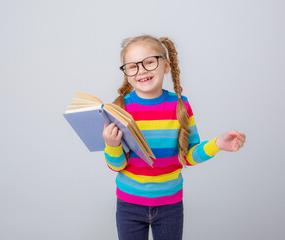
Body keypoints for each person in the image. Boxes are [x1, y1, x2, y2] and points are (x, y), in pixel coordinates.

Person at [102, 35, 246, 240]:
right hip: (129, 204)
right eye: (132, 66)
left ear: (166, 65)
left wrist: (217, 144)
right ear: (126, 72)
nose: (141, 70)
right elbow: (116, 166)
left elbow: (188, 156)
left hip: (170, 204)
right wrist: (111, 145)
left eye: (149, 62)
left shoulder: (181, 106)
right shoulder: (120, 109)